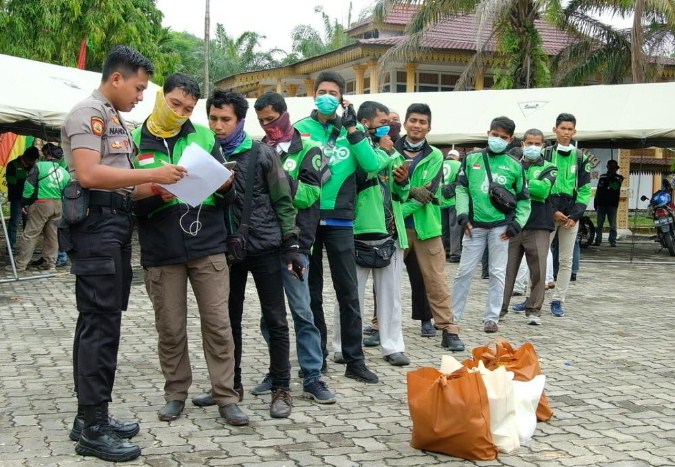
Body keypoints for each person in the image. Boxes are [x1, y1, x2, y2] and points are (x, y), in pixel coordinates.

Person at [61, 45, 186, 462]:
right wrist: (152, 171)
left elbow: (122, 185)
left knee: (103, 322)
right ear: (116, 78)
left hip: (113, 225)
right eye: (138, 87)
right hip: (96, 228)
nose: (140, 95)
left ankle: (90, 416)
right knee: (99, 326)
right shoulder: (89, 113)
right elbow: (90, 173)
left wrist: (160, 185)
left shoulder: (115, 119)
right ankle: (93, 427)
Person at [130, 73, 247, 426]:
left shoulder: (204, 136)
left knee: (217, 324)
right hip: (161, 247)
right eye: (175, 103)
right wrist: (154, 190)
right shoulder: (135, 140)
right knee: (170, 326)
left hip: (206, 242)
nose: (180, 112)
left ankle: (226, 396)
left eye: (188, 108)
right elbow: (125, 199)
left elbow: (229, 193)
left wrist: (226, 185)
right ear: (160, 96)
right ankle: (175, 393)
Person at [207, 90, 300, 418]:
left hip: (264, 247)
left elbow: (283, 199)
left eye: (225, 119)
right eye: (214, 119)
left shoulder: (262, 154)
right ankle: (231, 386)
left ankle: (281, 388)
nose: (218, 126)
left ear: (239, 121)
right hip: (223, 250)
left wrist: (291, 243)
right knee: (227, 320)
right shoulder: (206, 155)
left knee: (275, 318)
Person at [245, 91, 336, 403]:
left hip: (297, 244)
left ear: (284, 114)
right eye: (261, 122)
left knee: (302, 310)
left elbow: (311, 195)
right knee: (270, 314)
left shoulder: (309, 148)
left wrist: (279, 180)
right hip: (265, 243)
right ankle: (276, 369)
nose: (268, 126)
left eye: (271, 119)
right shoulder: (259, 151)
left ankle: (312, 374)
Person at [294, 71, 379, 383]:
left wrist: (354, 128)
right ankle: (317, 360)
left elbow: (371, 165)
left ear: (343, 99)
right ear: (313, 95)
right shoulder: (300, 129)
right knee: (311, 292)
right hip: (308, 220)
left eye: (333, 92)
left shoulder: (351, 132)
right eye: (322, 91)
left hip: (342, 221)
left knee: (349, 293)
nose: (327, 96)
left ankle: (355, 360)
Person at [332, 100, 411, 366]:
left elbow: (401, 194)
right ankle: (343, 346)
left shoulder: (391, 151)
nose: (388, 127)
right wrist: (386, 153)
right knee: (350, 293)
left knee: (391, 295)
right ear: (365, 124)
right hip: (358, 229)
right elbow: (369, 169)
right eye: (383, 123)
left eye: (389, 122)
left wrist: (403, 181)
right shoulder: (354, 150)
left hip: (390, 230)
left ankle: (392, 346)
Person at [453, 116, 531, 333]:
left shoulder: (515, 166)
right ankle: (453, 316)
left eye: (503, 137)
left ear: (511, 139)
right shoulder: (471, 159)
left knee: (497, 273)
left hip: (501, 229)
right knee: (464, 272)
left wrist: (517, 224)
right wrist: (462, 214)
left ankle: (492, 318)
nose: (497, 139)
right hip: (474, 226)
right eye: (494, 135)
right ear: (488, 133)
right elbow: (461, 188)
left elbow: (524, 199)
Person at [396, 103, 464, 350]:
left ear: (429, 127)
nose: (417, 125)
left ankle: (448, 329)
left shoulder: (435, 155)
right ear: (405, 123)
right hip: (397, 229)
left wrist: (398, 209)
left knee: (437, 280)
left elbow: (426, 193)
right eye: (413, 120)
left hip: (427, 227)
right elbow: (387, 187)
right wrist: (408, 193)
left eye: (422, 122)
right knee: (387, 281)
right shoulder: (389, 150)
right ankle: (379, 326)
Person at [501, 128, 557, 325]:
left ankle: (534, 310)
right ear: (522, 144)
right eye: (529, 143)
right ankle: (499, 309)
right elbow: (503, 188)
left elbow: (542, 191)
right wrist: (529, 185)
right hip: (513, 223)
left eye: (537, 144)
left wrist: (519, 185)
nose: (533, 147)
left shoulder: (550, 167)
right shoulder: (511, 164)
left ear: (543, 146)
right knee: (506, 269)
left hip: (539, 224)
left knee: (539, 270)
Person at [543, 113, 590, 317]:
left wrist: (575, 215)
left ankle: (558, 300)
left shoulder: (580, 157)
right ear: (555, 130)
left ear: (574, 131)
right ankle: (533, 298)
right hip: (548, 212)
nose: (566, 133)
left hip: (571, 216)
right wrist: (552, 211)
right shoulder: (544, 154)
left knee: (566, 260)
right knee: (539, 257)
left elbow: (585, 189)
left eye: (570, 129)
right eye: (563, 128)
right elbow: (535, 185)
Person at [8, 144, 70, 272]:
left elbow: (29, 186)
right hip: (59, 204)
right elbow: (68, 190)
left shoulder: (39, 166)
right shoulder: (64, 172)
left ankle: (20, 265)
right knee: (52, 235)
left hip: (42, 202)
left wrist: (25, 203)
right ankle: (50, 263)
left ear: (47, 154)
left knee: (30, 234)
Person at [5, 147, 39, 252]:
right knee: (14, 222)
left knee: (29, 223)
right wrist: (25, 180)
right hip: (17, 198)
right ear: (26, 157)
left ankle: (28, 247)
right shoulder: (12, 164)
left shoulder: (34, 167)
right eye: (32, 160)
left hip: (30, 199)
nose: (33, 162)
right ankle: (10, 247)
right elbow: (11, 181)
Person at [593, 159, 624, 247]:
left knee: (613, 225)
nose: (612, 169)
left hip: (612, 204)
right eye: (610, 167)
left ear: (616, 169)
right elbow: (599, 190)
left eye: (613, 168)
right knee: (599, 225)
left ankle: (612, 241)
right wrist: (595, 201)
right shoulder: (602, 177)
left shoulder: (619, 177)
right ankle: (598, 240)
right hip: (601, 203)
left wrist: (611, 177)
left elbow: (615, 186)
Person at [442, 149, 463, 262]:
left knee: (442, 229)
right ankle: (455, 253)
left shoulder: (440, 164)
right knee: (455, 228)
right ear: (457, 157)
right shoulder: (458, 164)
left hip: (440, 200)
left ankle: (443, 251)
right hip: (454, 200)